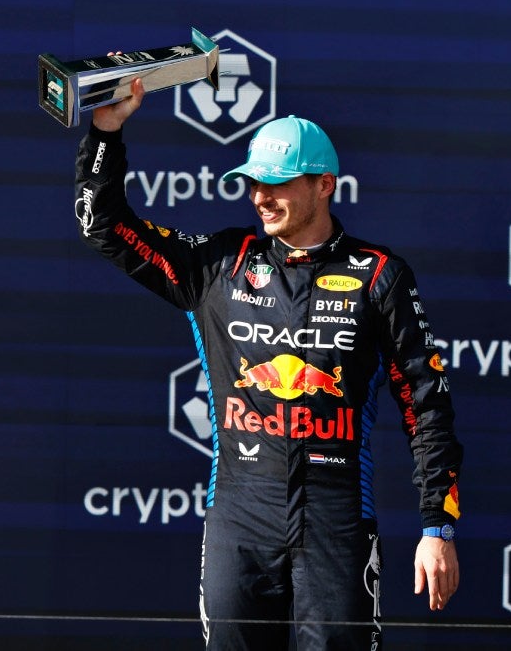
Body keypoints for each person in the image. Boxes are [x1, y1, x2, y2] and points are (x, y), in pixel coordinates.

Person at [73, 77, 463, 651]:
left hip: (336, 519)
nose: (260, 196)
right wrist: (106, 132)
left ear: (324, 185)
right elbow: (104, 225)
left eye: (277, 183)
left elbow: (426, 406)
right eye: (253, 183)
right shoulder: (219, 264)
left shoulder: (380, 275)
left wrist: (437, 526)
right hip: (239, 517)